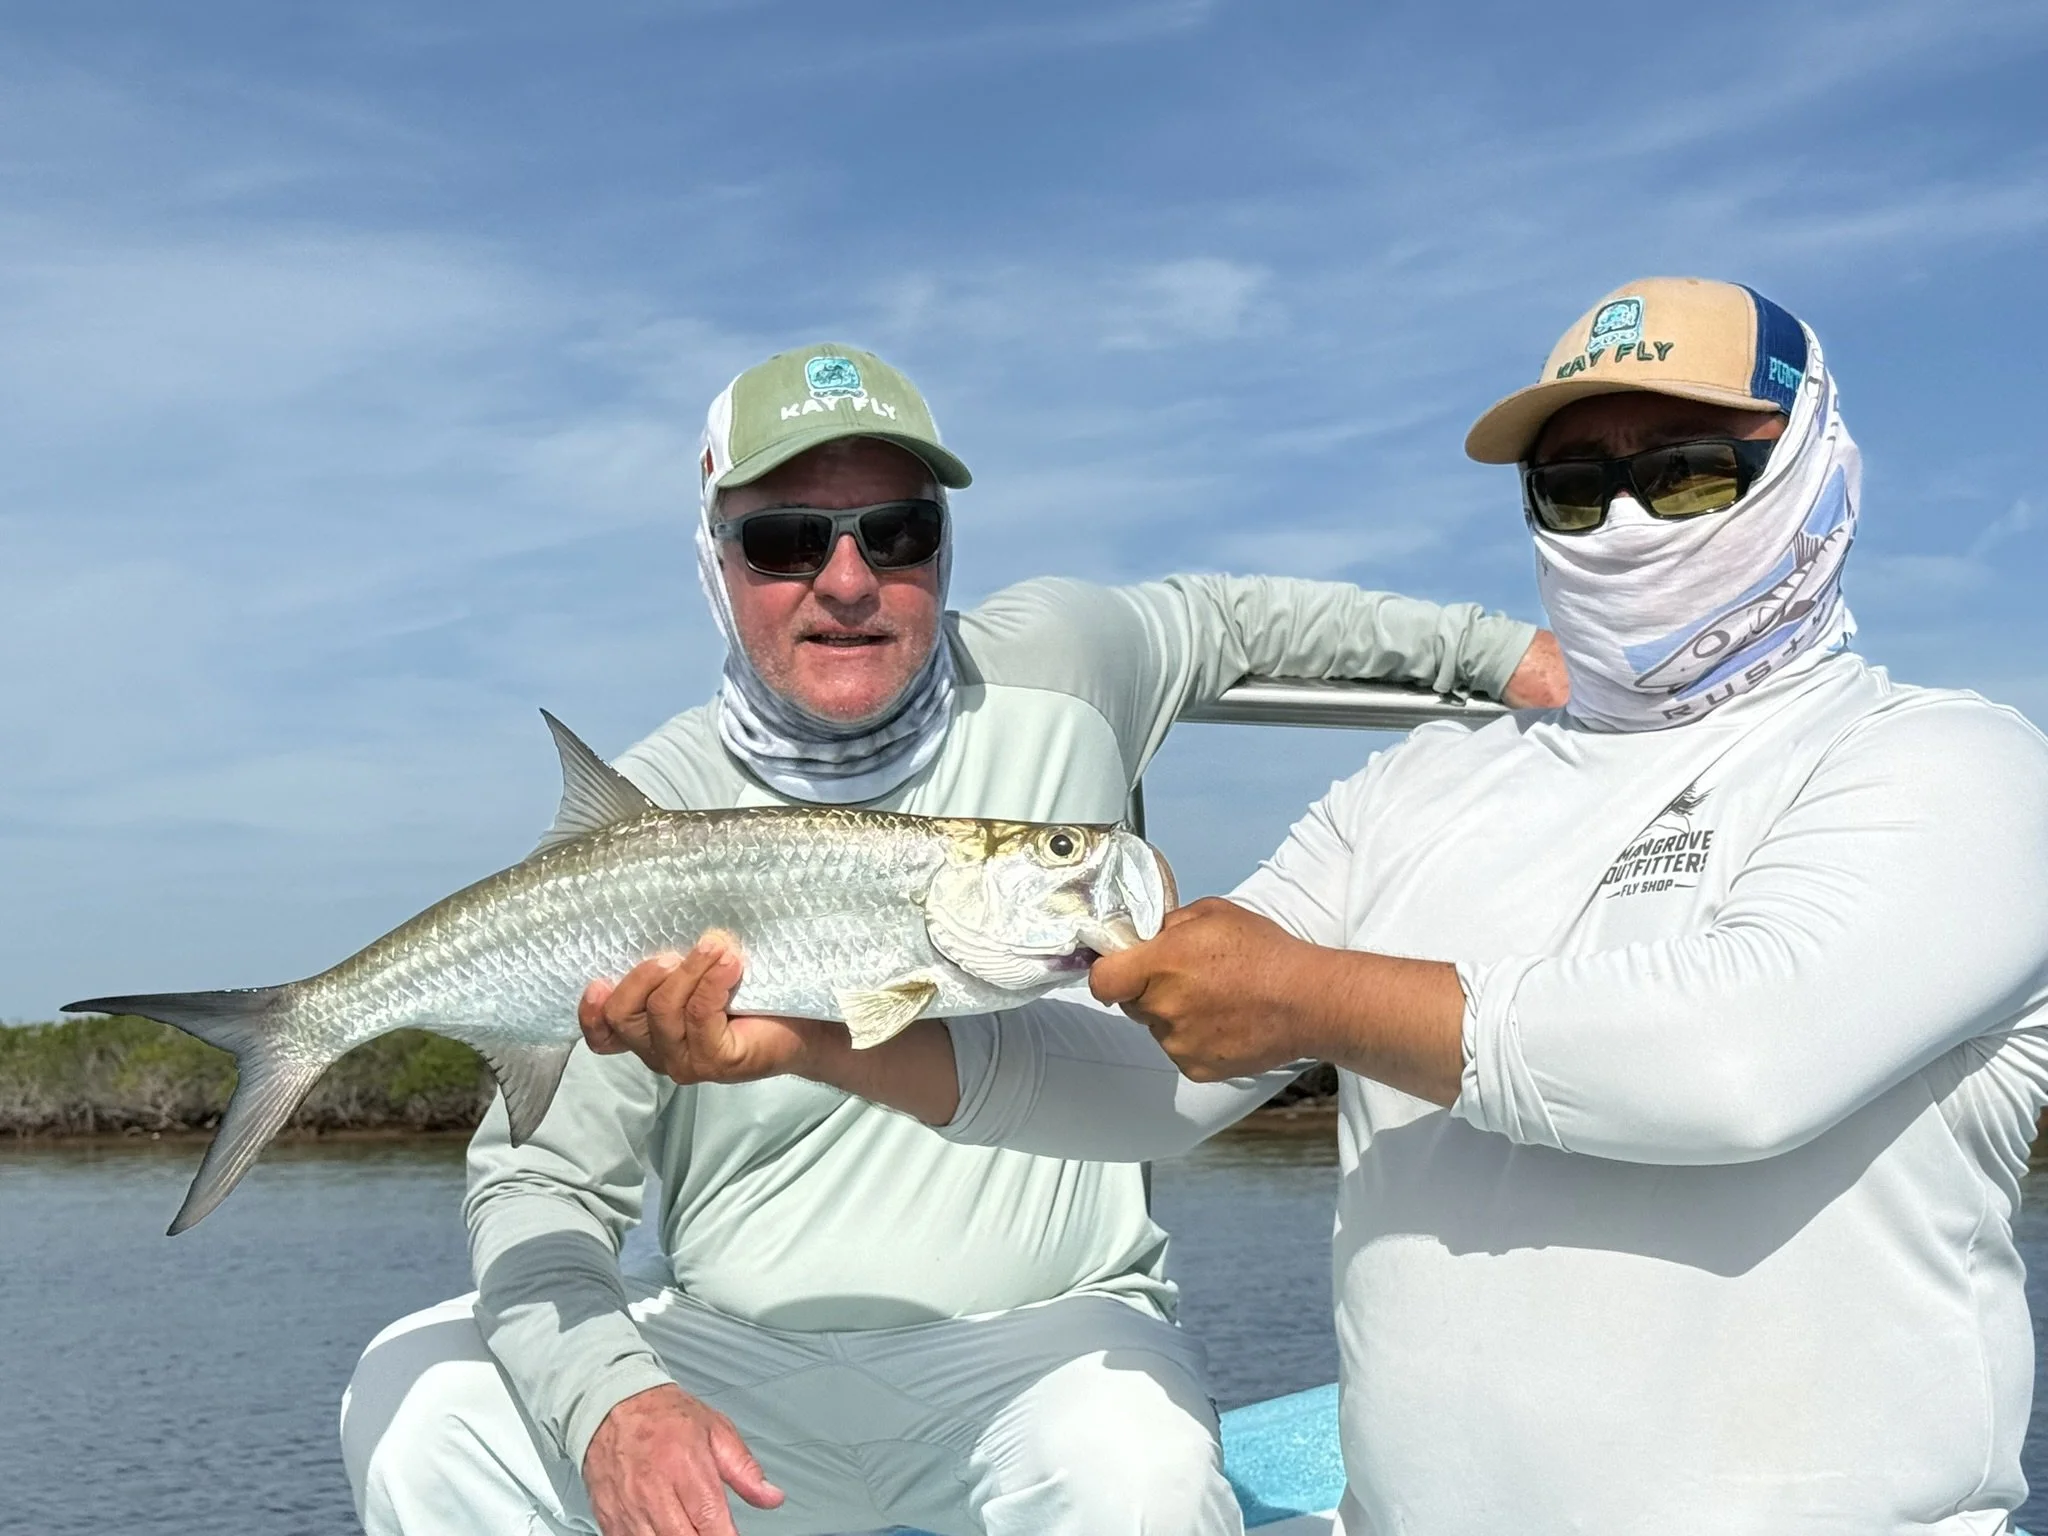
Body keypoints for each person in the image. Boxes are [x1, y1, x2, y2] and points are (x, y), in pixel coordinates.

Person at [634, 282, 2048, 1534]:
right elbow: (1152, 1084)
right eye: (1570, 486)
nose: (1621, 520)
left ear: (1818, 474)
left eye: (1687, 477)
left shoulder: (1959, 766)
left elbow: (1734, 1066)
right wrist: (819, 1045)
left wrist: (1308, 998)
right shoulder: (1412, 793)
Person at [337, 341, 1565, 1536]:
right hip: (736, 1356)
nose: (849, 579)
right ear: (713, 562)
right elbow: (538, 1178)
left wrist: (1514, 656)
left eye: (897, 531)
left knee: (1132, 1474)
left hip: (1048, 1346)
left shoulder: (1060, 663)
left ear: (940, 544)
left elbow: (1248, 626)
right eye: (783, 541)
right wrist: (614, 1401)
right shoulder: (652, 816)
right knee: (418, 1405)